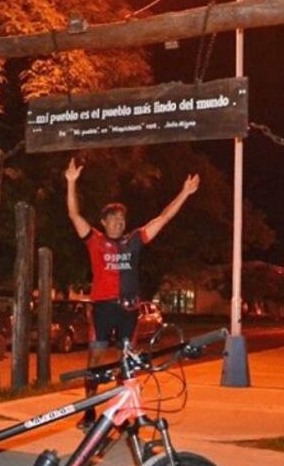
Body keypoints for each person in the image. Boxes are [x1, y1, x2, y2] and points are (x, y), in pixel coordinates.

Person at [65, 157, 199, 428]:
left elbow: (164, 217)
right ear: (103, 222)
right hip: (102, 308)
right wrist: (71, 183)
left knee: (128, 361)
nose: (118, 222)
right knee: (96, 359)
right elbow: (73, 215)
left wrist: (184, 193)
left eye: (121, 218)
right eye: (113, 218)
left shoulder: (134, 240)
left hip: (128, 308)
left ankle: (126, 411)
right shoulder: (95, 240)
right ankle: (90, 411)